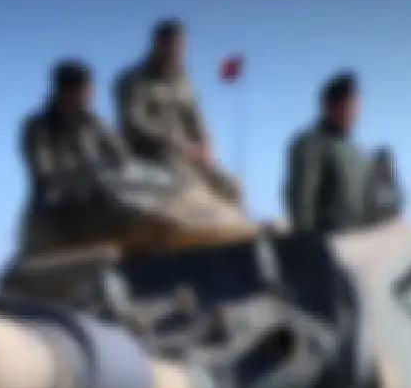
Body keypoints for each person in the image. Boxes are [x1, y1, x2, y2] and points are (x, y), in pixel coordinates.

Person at [113, 18, 242, 205]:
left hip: (189, 155)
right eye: (174, 46)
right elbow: (134, 123)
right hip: (151, 154)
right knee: (191, 186)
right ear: (159, 44)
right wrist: (179, 144)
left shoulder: (183, 81)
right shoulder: (132, 80)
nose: (179, 52)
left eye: (182, 46)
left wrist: (206, 145)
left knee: (231, 186)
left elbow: (195, 117)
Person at [15, 59, 129, 255]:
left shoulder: (95, 124)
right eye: (86, 90)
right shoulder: (39, 127)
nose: (90, 96)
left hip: (96, 211)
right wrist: (88, 173)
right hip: (53, 219)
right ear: (69, 91)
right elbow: (45, 172)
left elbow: (122, 158)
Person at [283, 71, 401, 234]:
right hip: (328, 240)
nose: (354, 113)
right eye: (348, 106)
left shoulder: (358, 154)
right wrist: (307, 240)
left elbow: (380, 207)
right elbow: (303, 200)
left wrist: (387, 182)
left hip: (363, 239)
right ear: (329, 106)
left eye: (356, 106)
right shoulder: (312, 144)